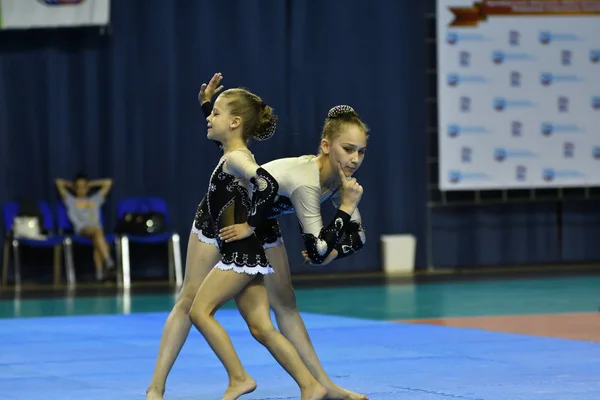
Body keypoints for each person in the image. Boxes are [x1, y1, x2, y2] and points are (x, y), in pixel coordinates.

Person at [146, 73, 368, 400]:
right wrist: (209, 107)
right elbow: (230, 141)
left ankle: (322, 386)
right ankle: (156, 389)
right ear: (326, 145)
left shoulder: (340, 183)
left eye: (361, 152)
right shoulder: (308, 182)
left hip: (258, 223)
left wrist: (335, 241)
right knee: (189, 300)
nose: (355, 158)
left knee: (284, 305)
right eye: (349, 149)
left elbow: (354, 239)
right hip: (222, 219)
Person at [190, 86, 329, 400]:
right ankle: (311, 386)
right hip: (246, 256)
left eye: (215, 114)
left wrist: (248, 225)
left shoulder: (237, 158)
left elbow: (266, 184)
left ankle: (238, 378)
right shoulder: (233, 153)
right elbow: (231, 147)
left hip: (239, 256)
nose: (209, 120)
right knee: (261, 328)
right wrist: (207, 105)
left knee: (199, 312)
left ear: (236, 122)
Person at [55, 174, 115, 281]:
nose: (81, 190)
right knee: (98, 234)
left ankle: (100, 273)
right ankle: (108, 261)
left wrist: (90, 185)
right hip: (82, 229)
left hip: (96, 230)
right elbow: (58, 182)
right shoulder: (71, 200)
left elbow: (108, 182)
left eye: (84, 187)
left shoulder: (95, 199)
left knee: (98, 239)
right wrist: (72, 186)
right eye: (78, 187)